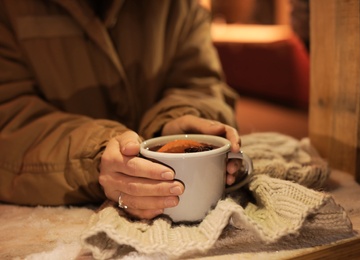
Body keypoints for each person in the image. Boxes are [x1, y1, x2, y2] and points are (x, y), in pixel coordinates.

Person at [0, 0, 241, 220]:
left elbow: (203, 86)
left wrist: (175, 121)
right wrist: (95, 154)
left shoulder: (181, 8)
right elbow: (8, 117)